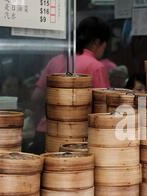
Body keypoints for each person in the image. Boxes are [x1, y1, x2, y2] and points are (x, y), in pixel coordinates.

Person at [29, 16, 112, 153]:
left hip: (44, 133)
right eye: (105, 45)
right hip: (76, 141)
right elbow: (104, 111)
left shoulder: (55, 61)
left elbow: (36, 98)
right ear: (97, 42)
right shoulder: (96, 66)